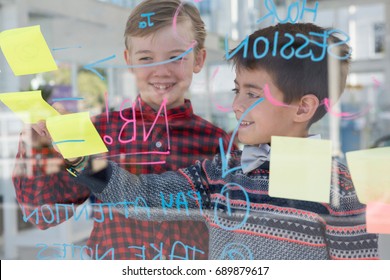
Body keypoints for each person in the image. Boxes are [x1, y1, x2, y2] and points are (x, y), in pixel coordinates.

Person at [69, 22, 379, 260]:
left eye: (253, 94)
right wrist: (80, 157)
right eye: (237, 91)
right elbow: (143, 198)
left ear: (303, 107)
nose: (236, 106)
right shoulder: (218, 174)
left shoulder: (340, 188)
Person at [12, 0, 233, 260]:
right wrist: (37, 149)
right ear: (129, 61)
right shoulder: (97, 131)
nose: (161, 70)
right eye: (146, 58)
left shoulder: (219, 143)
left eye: (176, 57)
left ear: (199, 59)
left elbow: (232, 227)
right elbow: (44, 214)